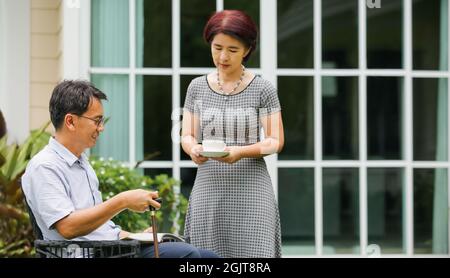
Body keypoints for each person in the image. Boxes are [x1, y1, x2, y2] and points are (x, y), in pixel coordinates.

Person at [22, 80, 218, 258]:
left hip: (112, 248)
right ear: (71, 121)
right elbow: (68, 227)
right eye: (97, 121)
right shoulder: (44, 167)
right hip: (92, 254)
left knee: (210, 258)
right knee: (187, 255)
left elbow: (97, 230)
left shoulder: (81, 163)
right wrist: (123, 200)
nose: (101, 128)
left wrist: (134, 236)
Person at [181, 10, 284, 258]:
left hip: (252, 192)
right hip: (209, 190)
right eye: (217, 48)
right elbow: (187, 135)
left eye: (233, 50)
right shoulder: (196, 87)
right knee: (205, 258)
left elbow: (275, 141)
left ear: (247, 50)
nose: (223, 56)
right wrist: (193, 148)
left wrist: (241, 152)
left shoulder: (263, 89)